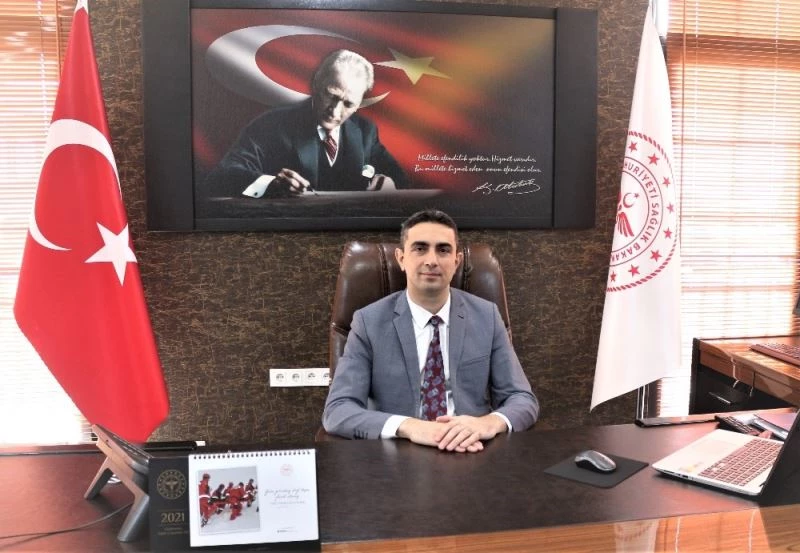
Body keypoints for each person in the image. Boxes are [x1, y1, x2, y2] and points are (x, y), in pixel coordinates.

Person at [322, 209, 539, 453]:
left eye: (443, 250)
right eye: (420, 248)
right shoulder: (368, 322)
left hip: (471, 449)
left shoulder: (486, 316)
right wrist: (409, 426)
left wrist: (488, 423)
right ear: (401, 258)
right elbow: (338, 410)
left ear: (456, 261)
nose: (432, 260)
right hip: (398, 452)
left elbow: (522, 399)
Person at [204, 49, 408, 198]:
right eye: (331, 95)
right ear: (317, 83)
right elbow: (222, 176)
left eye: (348, 104)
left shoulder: (365, 131)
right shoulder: (270, 126)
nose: (335, 111)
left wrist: (390, 184)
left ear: (359, 104)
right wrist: (271, 184)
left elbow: (401, 179)